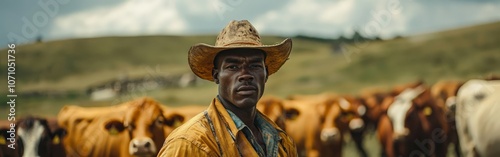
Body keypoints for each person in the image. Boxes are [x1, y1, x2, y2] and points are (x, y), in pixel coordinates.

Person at [157, 20, 298, 157]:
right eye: (233, 67)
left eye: (255, 66)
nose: (245, 75)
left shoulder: (282, 141)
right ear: (216, 76)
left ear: (266, 74)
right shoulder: (189, 143)